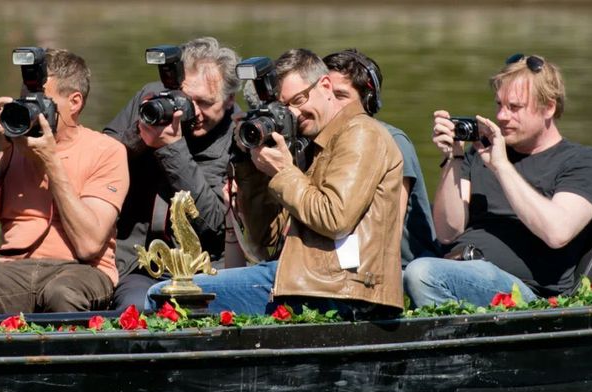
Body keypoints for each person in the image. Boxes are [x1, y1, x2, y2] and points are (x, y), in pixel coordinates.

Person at [148, 48, 404, 320]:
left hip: (341, 291)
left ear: (326, 85)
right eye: (286, 107)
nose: (294, 114)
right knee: (168, 293)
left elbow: (335, 218)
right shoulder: (312, 144)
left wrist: (283, 171)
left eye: (299, 99)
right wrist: (250, 165)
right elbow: (264, 244)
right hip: (305, 281)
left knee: (164, 296)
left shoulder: (361, 132)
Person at [403, 54, 592, 307]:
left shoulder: (581, 161)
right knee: (390, 271)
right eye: (499, 104)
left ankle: (454, 343)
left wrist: (501, 166)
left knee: (421, 274)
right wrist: (452, 159)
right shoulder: (478, 154)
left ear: (549, 107)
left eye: (514, 107)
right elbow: (448, 231)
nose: (501, 116)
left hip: (525, 293)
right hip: (456, 267)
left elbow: (557, 232)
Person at [0, 48, 129, 314]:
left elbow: (89, 245)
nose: (30, 111)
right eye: (25, 101)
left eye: (40, 101)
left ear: (75, 102)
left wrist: (51, 162)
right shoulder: (9, 149)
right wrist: (0, 152)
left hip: (81, 271)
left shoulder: (107, 151)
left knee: (61, 294)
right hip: (14, 271)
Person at [104, 36, 240, 310]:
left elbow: (214, 226)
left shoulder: (240, 136)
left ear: (229, 100)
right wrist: (141, 136)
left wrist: (172, 147)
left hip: (206, 268)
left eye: (205, 103)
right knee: (135, 308)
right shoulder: (152, 99)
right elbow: (99, 160)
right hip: (136, 263)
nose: (192, 112)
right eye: (187, 99)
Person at [322, 49, 440, 266]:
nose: (330, 104)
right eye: (325, 95)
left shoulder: (392, 141)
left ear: (368, 101)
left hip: (398, 270)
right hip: (336, 264)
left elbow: (387, 233)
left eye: (340, 96)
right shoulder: (315, 142)